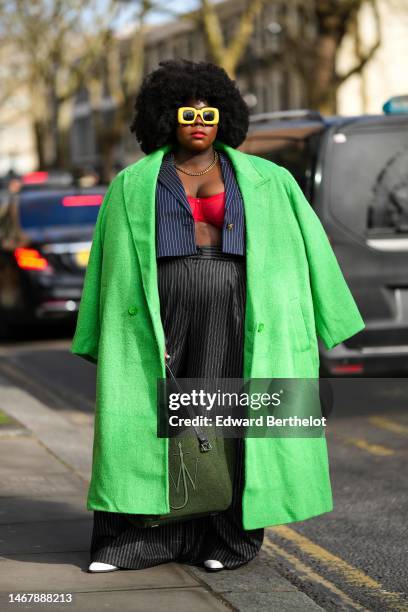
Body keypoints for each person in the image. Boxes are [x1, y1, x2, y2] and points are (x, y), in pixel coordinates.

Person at [70, 59, 365, 575]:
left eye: (210, 112)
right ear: (166, 117)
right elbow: (107, 264)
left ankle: (227, 541)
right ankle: (133, 543)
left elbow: (314, 249)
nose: (199, 121)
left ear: (225, 116)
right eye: (188, 111)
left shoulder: (269, 179)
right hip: (158, 320)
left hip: (243, 317)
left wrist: (331, 322)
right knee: (157, 427)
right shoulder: (132, 184)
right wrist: (98, 332)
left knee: (230, 424)